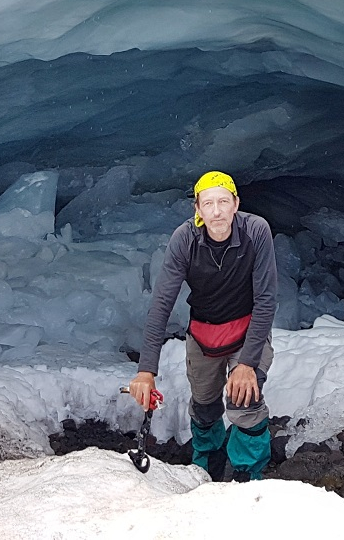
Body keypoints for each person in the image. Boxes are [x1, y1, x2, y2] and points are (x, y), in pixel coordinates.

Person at [128, 171, 279, 481]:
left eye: (223, 201)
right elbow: (161, 305)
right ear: (197, 209)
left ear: (236, 203)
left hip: (247, 332)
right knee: (205, 406)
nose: (217, 211)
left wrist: (248, 363)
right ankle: (207, 468)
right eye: (208, 203)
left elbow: (266, 299)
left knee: (244, 401)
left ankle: (246, 478)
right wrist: (146, 371)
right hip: (204, 335)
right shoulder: (185, 239)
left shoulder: (256, 231)